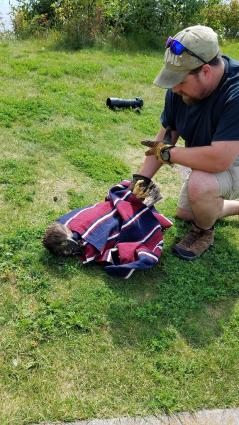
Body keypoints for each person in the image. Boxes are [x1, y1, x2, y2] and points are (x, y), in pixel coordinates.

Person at [135, 25, 239, 260]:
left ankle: (204, 232)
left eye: (180, 81)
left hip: (232, 157)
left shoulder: (236, 92)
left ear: (205, 71)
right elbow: (164, 138)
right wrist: (140, 183)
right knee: (185, 211)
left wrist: (169, 153)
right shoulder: (179, 90)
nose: (174, 88)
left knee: (201, 185)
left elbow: (218, 159)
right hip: (211, 155)